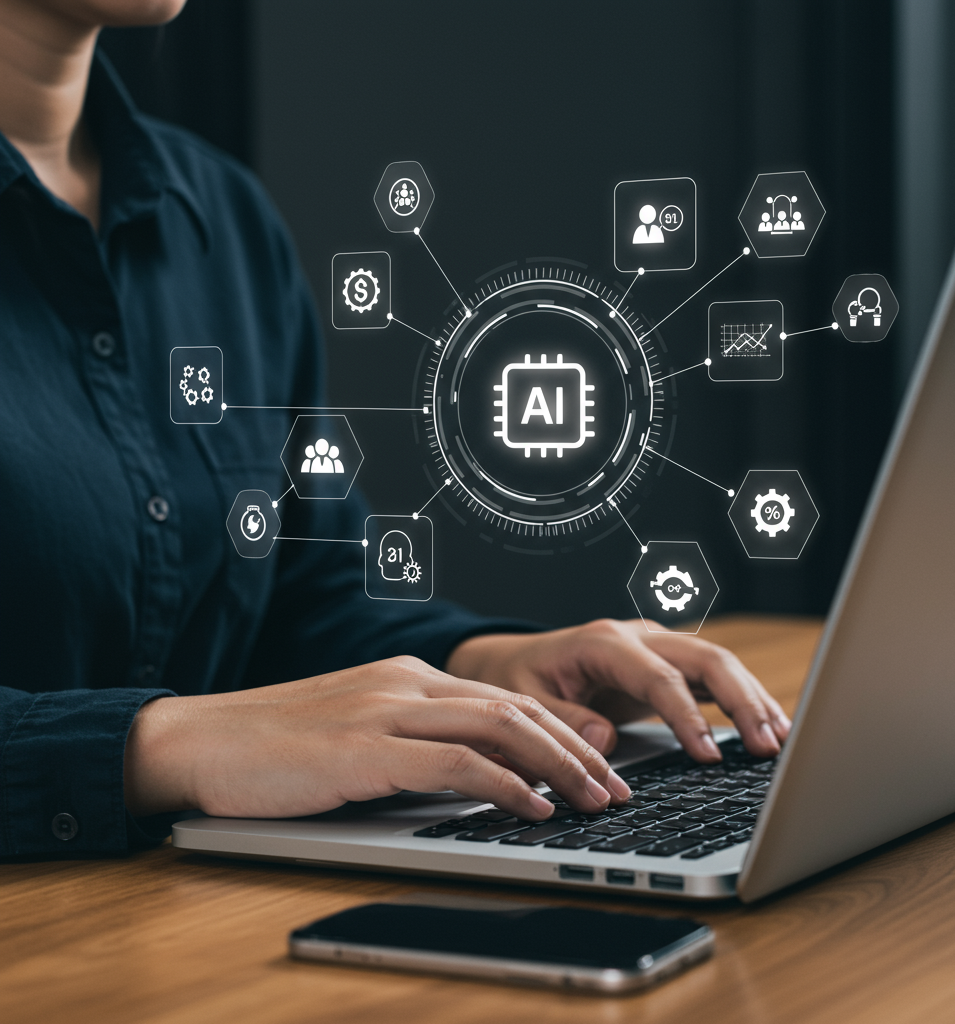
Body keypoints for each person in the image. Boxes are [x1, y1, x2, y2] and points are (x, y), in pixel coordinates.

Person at [0, 0, 790, 858]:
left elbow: (303, 596)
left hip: (184, 922)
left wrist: (482, 665)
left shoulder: (217, 219)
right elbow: (221, 722)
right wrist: (161, 744)